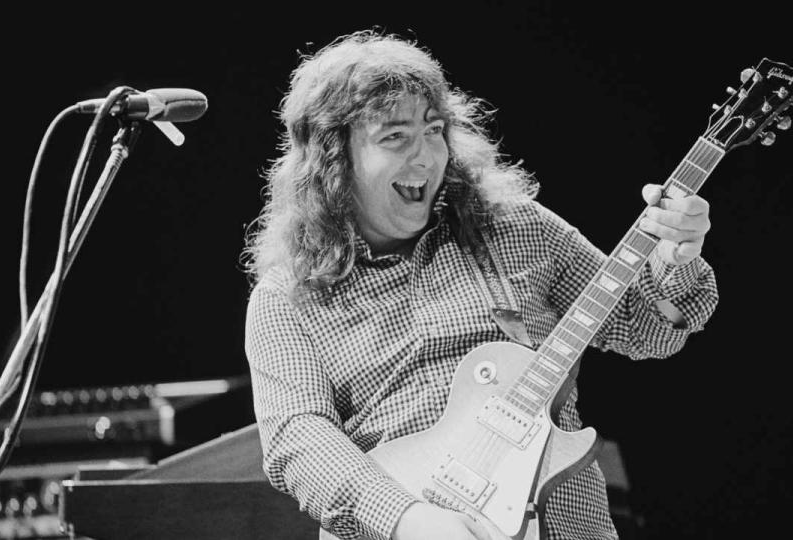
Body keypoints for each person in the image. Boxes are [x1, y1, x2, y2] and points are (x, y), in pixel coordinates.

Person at [243, 31, 718, 540]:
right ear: (333, 161)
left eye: (434, 129)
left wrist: (674, 258)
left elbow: (646, 328)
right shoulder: (286, 297)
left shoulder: (516, 227)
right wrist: (408, 519)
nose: (425, 156)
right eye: (395, 137)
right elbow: (300, 438)